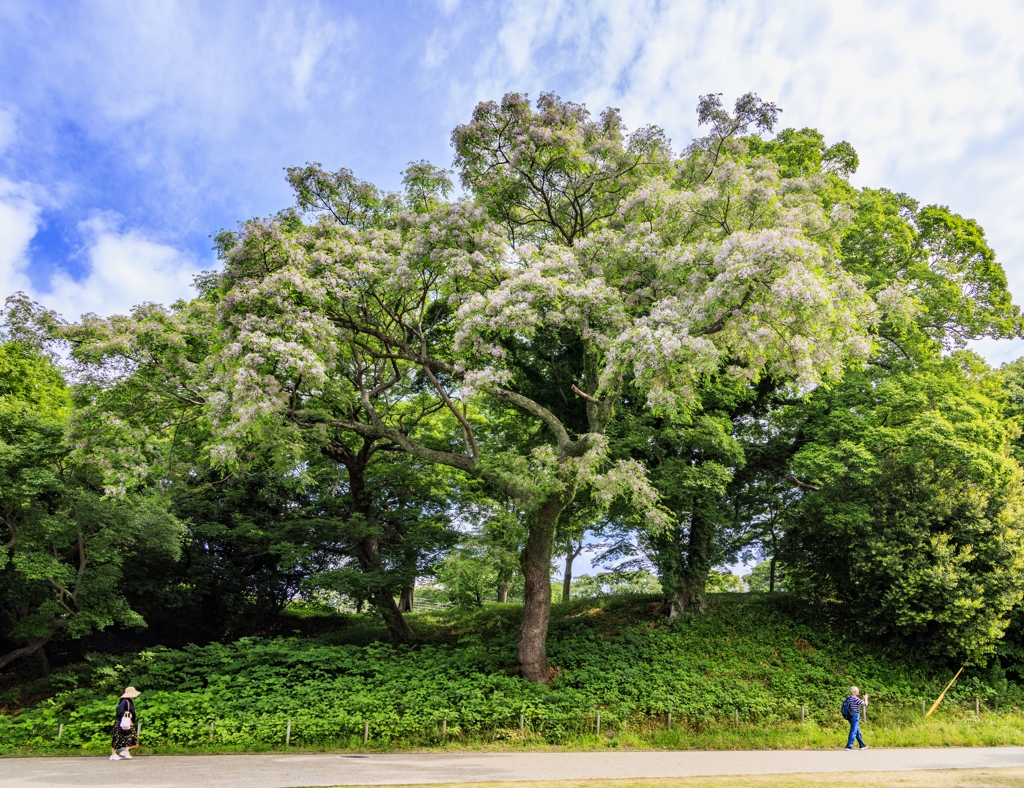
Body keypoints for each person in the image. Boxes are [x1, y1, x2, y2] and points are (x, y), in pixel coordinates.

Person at [109, 686, 141, 761]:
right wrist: (125, 713)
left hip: (127, 722)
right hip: (121, 722)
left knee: (132, 737)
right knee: (117, 737)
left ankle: (125, 751)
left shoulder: (129, 701)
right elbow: (119, 710)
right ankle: (113, 754)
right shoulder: (124, 701)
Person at [843, 686, 868, 750]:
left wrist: (862, 699)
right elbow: (865, 704)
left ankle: (862, 745)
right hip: (855, 715)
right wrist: (866, 698)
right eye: (858, 691)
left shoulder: (850, 698)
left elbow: (858, 703)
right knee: (853, 731)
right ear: (854, 692)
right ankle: (849, 746)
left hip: (850, 716)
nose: (858, 692)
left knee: (857, 730)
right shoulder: (855, 698)